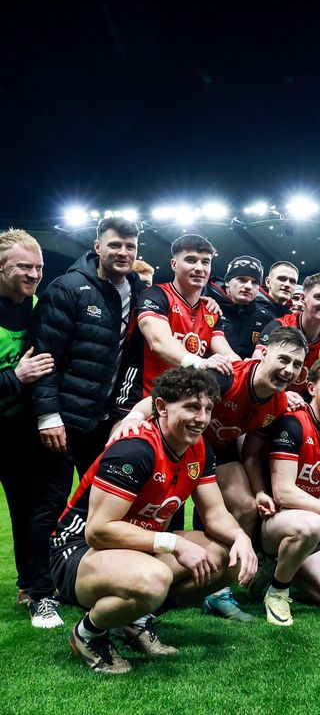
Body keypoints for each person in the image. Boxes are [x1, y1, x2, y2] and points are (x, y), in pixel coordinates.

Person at [49, 367, 257, 673]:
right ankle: (88, 634)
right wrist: (172, 542)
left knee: (227, 559)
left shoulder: (198, 447)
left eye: (207, 408)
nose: (201, 418)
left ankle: (134, 621)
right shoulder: (135, 450)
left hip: (135, 549)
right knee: (154, 578)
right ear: (160, 407)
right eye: (190, 407)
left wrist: (242, 538)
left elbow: (215, 513)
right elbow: (98, 531)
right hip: (76, 553)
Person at [116, 326, 308, 621]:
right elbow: (169, 397)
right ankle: (129, 575)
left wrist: (258, 490)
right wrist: (134, 417)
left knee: (245, 506)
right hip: (178, 444)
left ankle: (217, 588)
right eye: (283, 359)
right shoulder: (227, 376)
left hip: (216, 451)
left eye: (296, 365)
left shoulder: (280, 403)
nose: (288, 369)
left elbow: (253, 449)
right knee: (152, 513)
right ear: (263, 353)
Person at [32, 217, 147, 627]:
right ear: (97, 246)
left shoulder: (138, 292)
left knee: (101, 510)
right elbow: (44, 357)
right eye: (115, 245)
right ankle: (38, 593)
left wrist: (122, 413)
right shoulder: (68, 288)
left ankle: (91, 580)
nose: (123, 253)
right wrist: (48, 416)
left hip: (105, 422)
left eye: (130, 247)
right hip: (64, 419)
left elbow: (133, 359)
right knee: (49, 504)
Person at [251, 357, 320, 626]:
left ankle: (279, 571)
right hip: (275, 520)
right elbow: (283, 493)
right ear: (311, 388)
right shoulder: (293, 422)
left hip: (312, 522)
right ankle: (277, 590)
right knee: (311, 524)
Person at [0, 230, 60, 627]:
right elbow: (23, 373)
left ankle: (33, 585)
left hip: (24, 429)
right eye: (24, 266)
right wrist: (15, 376)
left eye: (38, 267)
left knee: (30, 508)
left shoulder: (39, 306)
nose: (34, 274)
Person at [114, 234, 238, 411]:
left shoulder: (211, 310)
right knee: (125, 435)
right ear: (174, 264)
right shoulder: (155, 295)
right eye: (191, 260)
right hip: (139, 396)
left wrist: (255, 371)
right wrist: (201, 363)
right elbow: (159, 343)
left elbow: (227, 354)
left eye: (205, 262)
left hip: (181, 404)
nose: (199, 268)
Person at [257, 273, 320, 396]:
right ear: (303, 299)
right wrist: (282, 396)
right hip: (270, 394)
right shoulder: (278, 327)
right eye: (319, 297)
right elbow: (256, 364)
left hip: (304, 404)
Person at [210, 256, 274, 360]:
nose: (248, 286)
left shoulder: (266, 319)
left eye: (254, 282)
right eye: (241, 279)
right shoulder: (209, 307)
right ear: (227, 282)